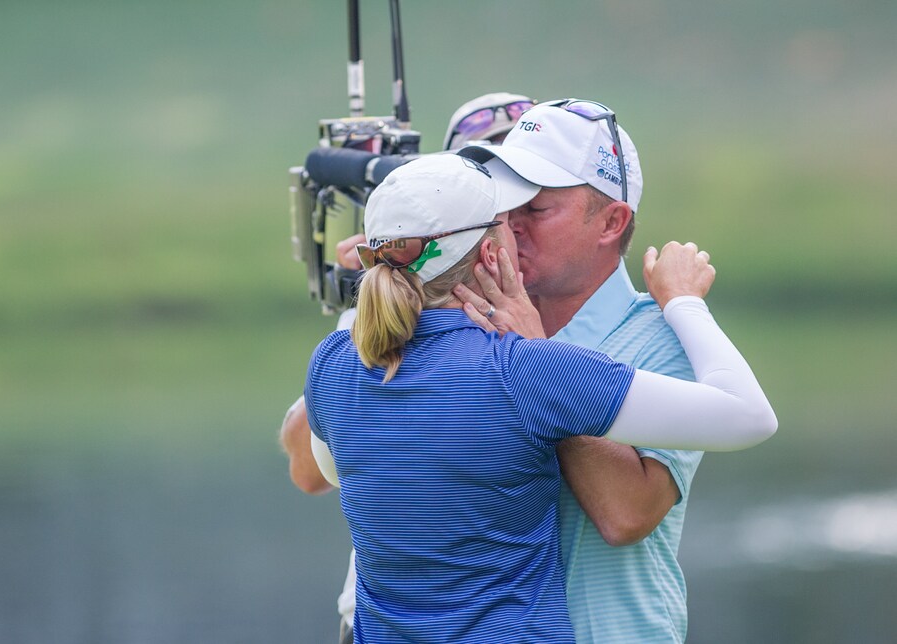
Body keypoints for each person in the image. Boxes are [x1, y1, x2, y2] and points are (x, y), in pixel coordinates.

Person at [305, 153, 776, 642]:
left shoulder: (332, 361)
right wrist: (684, 302)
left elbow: (334, 472)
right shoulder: (524, 368)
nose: (520, 231)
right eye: (507, 222)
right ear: (491, 254)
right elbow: (750, 416)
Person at [457, 98, 718, 642]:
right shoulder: (469, 323)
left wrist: (537, 361)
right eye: (506, 204)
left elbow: (627, 514)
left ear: (611, 222)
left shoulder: (666, 336)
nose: (510, 225)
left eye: (537, 207)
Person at [280, 92, 535, 644]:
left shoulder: (556, 338)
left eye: (527, 200)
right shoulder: (381, 314)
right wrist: (367, 307)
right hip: (378, 622)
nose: (512, 222)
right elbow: (306, 468)